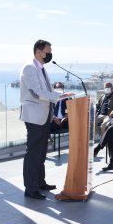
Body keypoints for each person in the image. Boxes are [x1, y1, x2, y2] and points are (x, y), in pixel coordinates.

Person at [20, 39, 73, 200]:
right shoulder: (29, 67)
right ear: (38, 51)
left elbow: (45, 91)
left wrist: (60, 96)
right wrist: (59, 96)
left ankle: (40, 182)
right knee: (34, 152)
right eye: (47, 52)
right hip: (34, 117)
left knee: (41, 152)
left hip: (44, 116)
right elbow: (36, 92)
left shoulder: (41, 68)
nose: (50, 55)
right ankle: (30, 188)